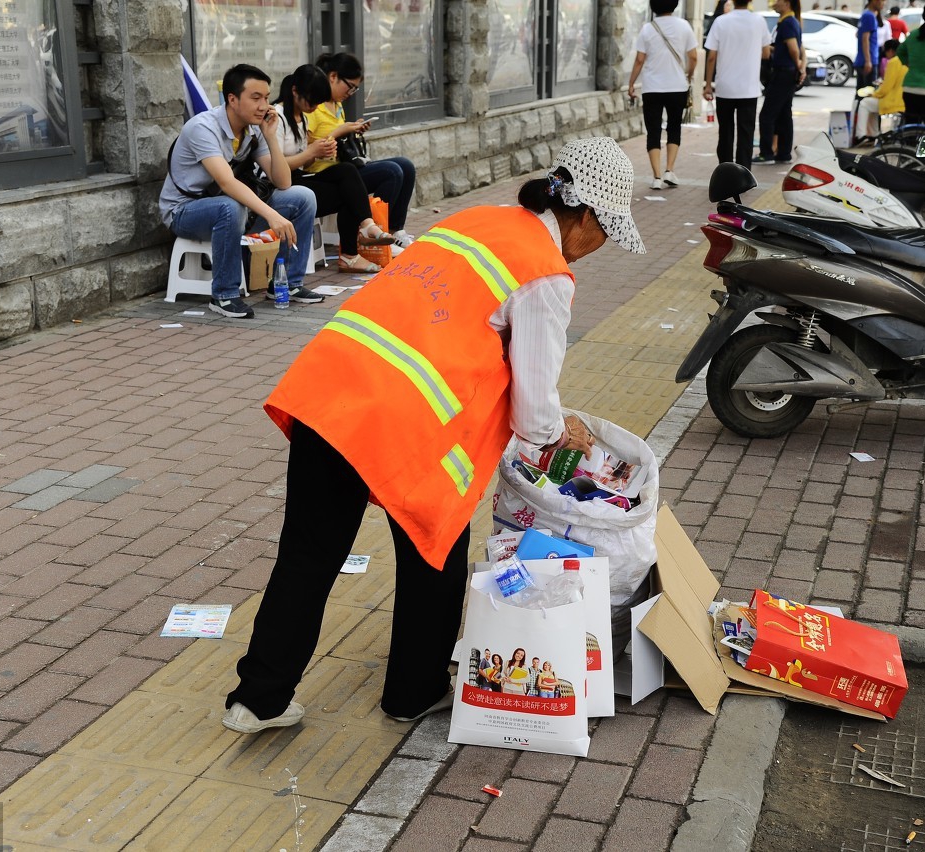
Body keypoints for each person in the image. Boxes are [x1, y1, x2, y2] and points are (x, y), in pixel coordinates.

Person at [221, 137, 645, 732]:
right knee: (433, 547)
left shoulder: (479, 219)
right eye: (606, 232)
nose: (599, 248)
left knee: (307, 555)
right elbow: (535, 411)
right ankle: (413, 691)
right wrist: (558, 433)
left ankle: (257, 699)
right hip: (403, 419)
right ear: (586, 216)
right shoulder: (545, 273)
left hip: (332, 384)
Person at [160, 64, 318, 319]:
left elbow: (283, 182)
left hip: (233, 210)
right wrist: (273, 216)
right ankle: (223, 295)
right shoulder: (203, 128)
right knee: (229, 205)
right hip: (185, 212)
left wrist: (271, 138)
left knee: (302, 197)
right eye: (255, 98)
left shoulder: (253, 129)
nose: (264, 106)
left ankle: (288, 282)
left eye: (266, 98)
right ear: (232, 99)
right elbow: (226, 183)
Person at [272, 65, 395, 275]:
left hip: (299, 177)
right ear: (295, 91)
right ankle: (351, 253)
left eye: (317, 103)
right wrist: (311, 152)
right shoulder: (276, 117)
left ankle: (365, 228)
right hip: (282, 186)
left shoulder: (300, 117)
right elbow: (276, 170)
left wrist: (320, 152)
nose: (313, 108)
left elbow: (305, 164)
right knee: (350, 191)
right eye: (312, 102)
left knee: (347, 172)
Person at [306, 53, 417, 256]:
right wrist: (339, 132)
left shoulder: (337, 105)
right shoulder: (313, 107)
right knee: (391, 172)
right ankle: (375, 233)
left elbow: (339, 141)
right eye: (350, 86)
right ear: (333, 77)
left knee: (406, 165)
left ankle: (395, 231)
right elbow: (305, 149)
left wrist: (353, 129)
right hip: (325, 174)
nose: (352, 93)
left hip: (346, 168)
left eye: (356, 89)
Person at [627, 0, 699, 189]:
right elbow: (693, 56)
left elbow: (639, 60)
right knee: (674, 127)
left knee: (654, 130)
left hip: (652, 88)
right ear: (674, 5)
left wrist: (632, 83)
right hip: (677, 86)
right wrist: (689, 75)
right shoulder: (684, 26)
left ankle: (657, 177)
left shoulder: (647, 29)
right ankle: (669, 170)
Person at [703, 0, 772, 169]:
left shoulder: (721, 21)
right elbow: (766, 53)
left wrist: (707, 84)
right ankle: (743, 173)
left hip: (725, 87)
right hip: (749, 88)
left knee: (725, 132)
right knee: (746, 133)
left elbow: (711, 56)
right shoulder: (759, 21)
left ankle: (725, 170)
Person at [756, 0, 806, 164]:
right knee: (784, 114)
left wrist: (798, 66)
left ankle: (766, 153)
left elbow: (794, 48)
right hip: (787, 73)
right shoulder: (790, 21)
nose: (774, 3)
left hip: (783, 73)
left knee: (767, 115)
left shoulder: (787, 23)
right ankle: (784, 153)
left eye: (777, 1)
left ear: (786, 3)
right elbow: (793, 48)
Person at [855, 39, 904, 137]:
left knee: (864, 103)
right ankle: (873, 134)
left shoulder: (894, 62)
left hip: (894, 101)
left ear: (890, 51)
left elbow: (886, 87)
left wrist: (874, 94)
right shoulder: (907, 61)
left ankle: (861, 134)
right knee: (870, 104)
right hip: (903, 100)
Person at [856, 0, 886, 88]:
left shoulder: (865, 14)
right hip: (869, 60)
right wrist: (868, 61)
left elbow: (858, 34)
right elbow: (865, 38)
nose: (883, 4)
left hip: (862, 59)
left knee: (861, 93)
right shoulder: (869, 16)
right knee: (869, 93)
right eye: (882, 1)